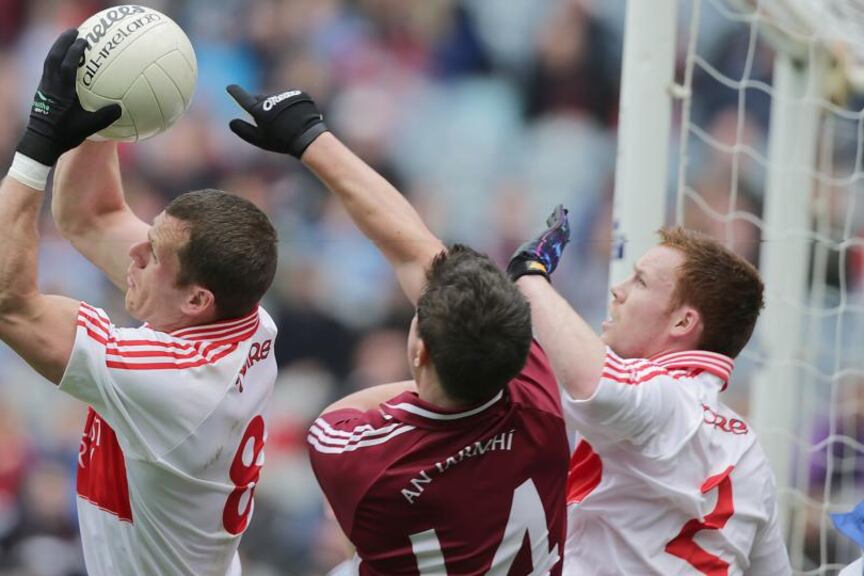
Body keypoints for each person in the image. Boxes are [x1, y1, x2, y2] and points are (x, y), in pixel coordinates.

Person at [0, 30, 279, 576]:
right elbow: (93, 216)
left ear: (197, 299)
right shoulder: (243, 315)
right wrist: (106, 103)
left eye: (154, 255)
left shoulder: (163, 379)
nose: (134, 250)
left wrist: (39, 141)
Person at [226, 85, 571, 575]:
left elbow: (414, 253)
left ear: (421, 352)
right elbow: (418, 254)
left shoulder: (355, 457)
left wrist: (308, 137)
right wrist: (310, 138)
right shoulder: (536, 396)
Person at [514, 227, 793, 574]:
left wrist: (530, 276)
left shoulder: (668, 400)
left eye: (640, 282)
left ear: (682, 321)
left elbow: (596, 385)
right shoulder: (751, 454)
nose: (618, 290)